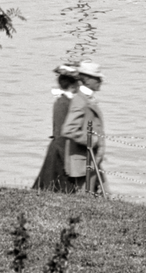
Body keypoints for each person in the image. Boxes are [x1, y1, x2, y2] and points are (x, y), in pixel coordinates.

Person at [61, 60, 107, 194]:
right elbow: (68, 129)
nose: (101, 80)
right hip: (82, 163)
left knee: (100, 195)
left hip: (90, 160)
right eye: (97, 77)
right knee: (84, 198)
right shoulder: (80, 100)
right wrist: (92, 140)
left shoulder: (87, 98)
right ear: (87, 79)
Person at [32, 63, 80, 192]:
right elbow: (60, 130)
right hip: (61, 147)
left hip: (62, 146)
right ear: (73, 85)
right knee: (56, 181)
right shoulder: (63, 103)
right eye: (77, 82)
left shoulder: (66, 101)